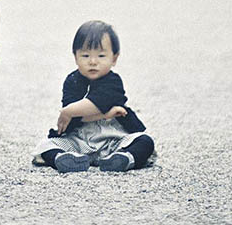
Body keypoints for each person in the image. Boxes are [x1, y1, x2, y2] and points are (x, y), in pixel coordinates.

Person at [32, 19, 156, 173]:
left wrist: (70, 111)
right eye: (85, 55)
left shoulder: (113, 81)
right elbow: (76, 118)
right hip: (79, 141)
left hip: (114, 139)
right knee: (46, 145)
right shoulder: (72, 81)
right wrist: (104, 114)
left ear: (114, 58)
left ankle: (124, 158)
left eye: (101, 56)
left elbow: (96, 102)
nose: (92, 61)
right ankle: (64, 159)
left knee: (144, 142)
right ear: (75, 57)